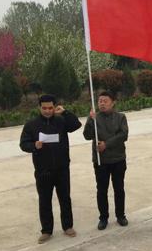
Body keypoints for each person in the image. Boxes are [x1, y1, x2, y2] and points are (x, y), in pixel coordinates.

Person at [20, 94, 82, 243]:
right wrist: (34, 145)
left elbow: (76, 125)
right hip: (43, 170)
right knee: (45, 200)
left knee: (65, 198)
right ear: (39, 108)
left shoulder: (61, 121)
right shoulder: (31, 125)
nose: (47, 111)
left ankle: (68, 226)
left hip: (62, 168)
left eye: (50, 108)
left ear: (55, 107)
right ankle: (47, 230)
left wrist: (65, 112)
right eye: (44, 108)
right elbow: (23, 144)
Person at [83, 91, 129, 230]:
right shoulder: (95, 118)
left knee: (119, 188)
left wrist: (106, 144)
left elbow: (123, 135)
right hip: (101, 161)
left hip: (118, 159)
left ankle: (120, 215)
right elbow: (87, 136)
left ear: (113, 102)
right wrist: (90, 120)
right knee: (102, 190)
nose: (102, 103)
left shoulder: (120, 117)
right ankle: (103, 218)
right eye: (100, 101)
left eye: (105, 101)